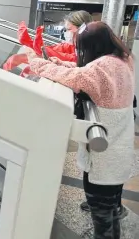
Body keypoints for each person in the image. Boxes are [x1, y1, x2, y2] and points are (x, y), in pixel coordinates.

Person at [26, 21, 135, 238]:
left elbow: (78, 77)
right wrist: (61, 63)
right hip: (118, 154)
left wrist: (35, 62)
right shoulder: (120, 60)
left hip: (104, 159)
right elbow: (85, 72)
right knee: (111, 210)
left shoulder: (103, 67)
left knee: (102, 216)